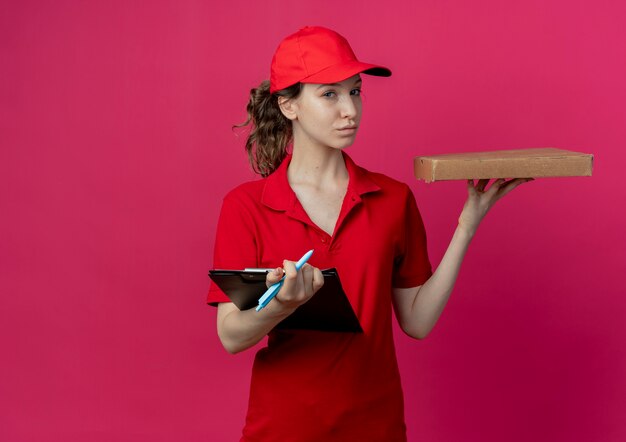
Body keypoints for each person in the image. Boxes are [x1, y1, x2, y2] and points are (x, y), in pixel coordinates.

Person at [207, 26, 530, 442]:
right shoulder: (245, 207)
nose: (351, 110)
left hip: (375, 427)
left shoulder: (392, 199)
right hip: (283, 428)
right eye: (330, 94)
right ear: (288, 105)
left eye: (355, 91)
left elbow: (417, 320)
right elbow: (232, 335)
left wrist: (467, 225)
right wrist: (282, 305)